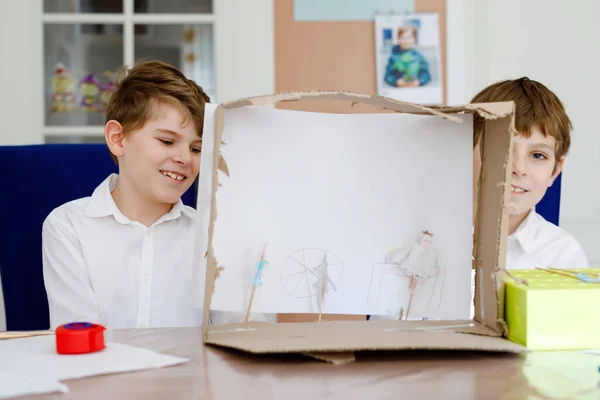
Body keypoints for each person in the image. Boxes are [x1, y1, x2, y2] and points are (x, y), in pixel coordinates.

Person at [42, 60, 263, 329]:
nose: (184, 158)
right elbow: (80, 339)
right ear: (118, 138)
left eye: (196, 148)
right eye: (167, 141)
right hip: (103, 370)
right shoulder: (68, 226)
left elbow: (246, 333)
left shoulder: (212, 235)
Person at [472, 77, 588, 270]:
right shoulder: (430, 241)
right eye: (501, 147)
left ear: (555, 171)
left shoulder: (563, 256)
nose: (518, 168)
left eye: (537, 155)